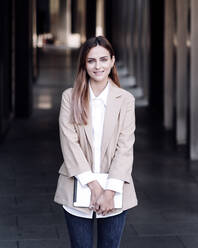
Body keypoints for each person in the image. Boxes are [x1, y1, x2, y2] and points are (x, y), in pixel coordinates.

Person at [54, 36, 138, 248]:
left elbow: (125, 148)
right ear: (84, 64)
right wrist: (94, 187)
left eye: (103, 59)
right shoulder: (70, 97)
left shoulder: (125, 100)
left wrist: (108, 192)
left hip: (115, 191)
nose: (98, 66)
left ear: (112, 61)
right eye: (91, 60)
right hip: (77, 186)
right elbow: (69, 143)